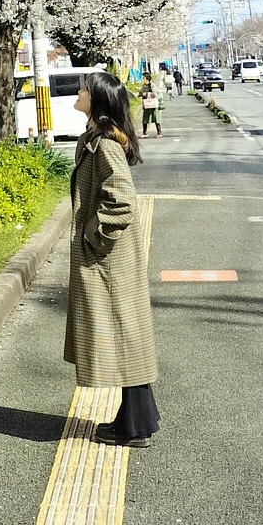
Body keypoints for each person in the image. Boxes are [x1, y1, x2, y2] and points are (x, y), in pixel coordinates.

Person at [65, 71, 161, 449]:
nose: (78, 91)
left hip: (109, 261)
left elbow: (121, 200)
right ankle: (137, 419)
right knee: (127, 336)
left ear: (97, 98)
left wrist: (93, 236)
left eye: (84, 88)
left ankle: (135, 427)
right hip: (112, 260)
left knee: (125, 335)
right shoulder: (98, 139)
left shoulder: (104, 145)